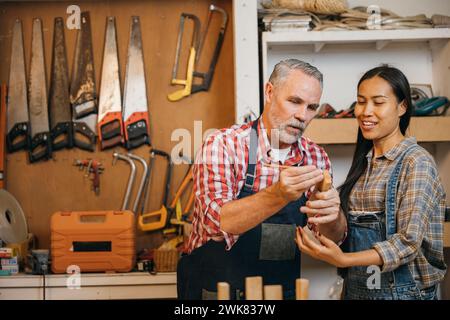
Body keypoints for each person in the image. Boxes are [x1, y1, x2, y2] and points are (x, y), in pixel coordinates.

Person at [177, 59, 347, 300]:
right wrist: (278, 194)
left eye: (312, 107)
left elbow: (331, 238)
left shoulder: (315, 157)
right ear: (269, 92)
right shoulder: (224, 145)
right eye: (294, 101)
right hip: (217, 291)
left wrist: (333, 214)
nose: (302, 115)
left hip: (279, 292)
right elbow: (217, 223)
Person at [296, 65, 447, 300]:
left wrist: (344, 259)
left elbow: (408, 242)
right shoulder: (364, 165)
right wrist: (325, 209)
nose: (365, 111)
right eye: (361, 101)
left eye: (378, 103)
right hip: (361, 289)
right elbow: (345, 233)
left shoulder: (416, 162)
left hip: (403, 294)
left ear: (402, 107)